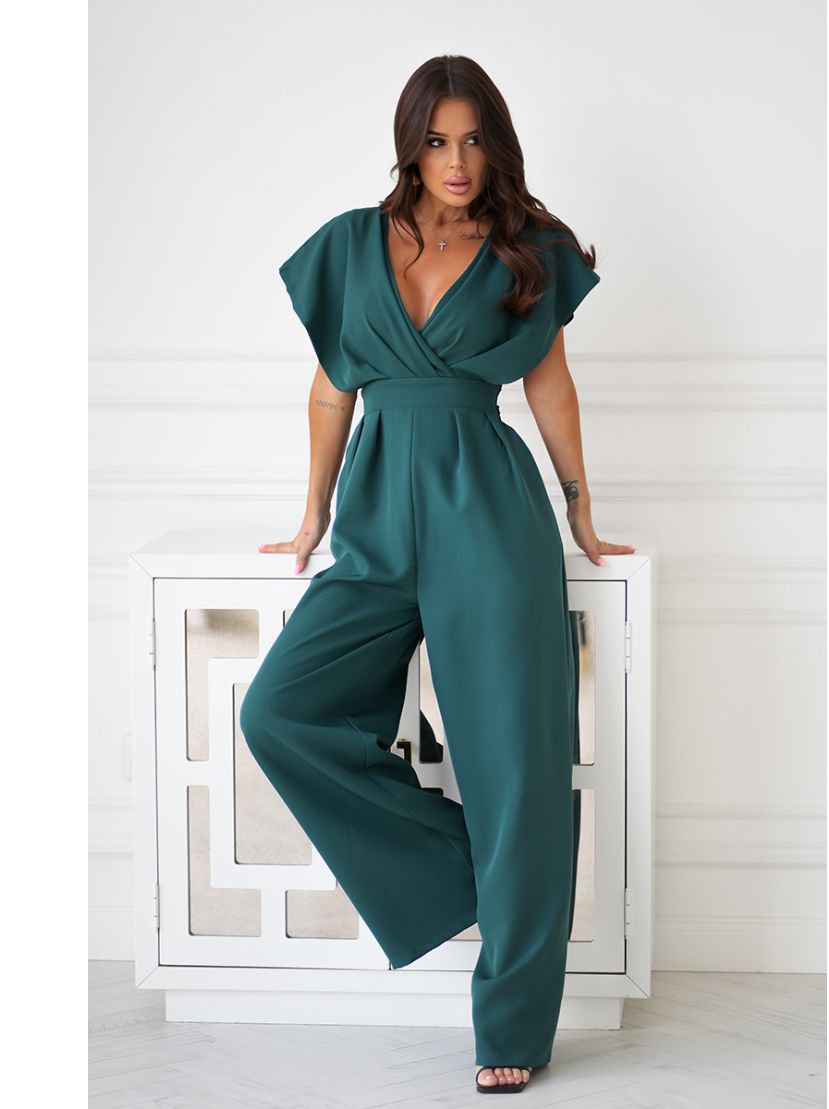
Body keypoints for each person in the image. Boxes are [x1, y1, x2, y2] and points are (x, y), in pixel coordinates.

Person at [239, 54, 636, 1095]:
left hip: (489, 513)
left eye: (472, 140)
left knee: (516, 766)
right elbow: (331, 392)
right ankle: (473, 872)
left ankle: (512, 1025)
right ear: (408, 145)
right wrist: (313, 513)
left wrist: (580, 504)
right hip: (375, 514)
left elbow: (550, 387)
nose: (456, 161)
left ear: (494, 145)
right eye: (435, 140)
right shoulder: (350, 244)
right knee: (280, 711)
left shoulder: (525, 252)